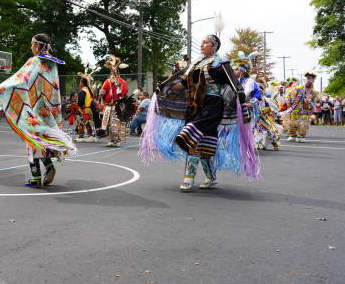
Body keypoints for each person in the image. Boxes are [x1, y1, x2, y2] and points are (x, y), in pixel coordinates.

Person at [140, 35, 260, 191]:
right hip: (195, 105)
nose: (202, 45)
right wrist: (164, 88)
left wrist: (243, 105)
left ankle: (188, 178)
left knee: (190, 136)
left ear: (214, 46)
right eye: (202, 42)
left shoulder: (221, 64)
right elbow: (183, 84)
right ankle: (211, 177)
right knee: (204, 144)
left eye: (205, 42)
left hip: (213, 105)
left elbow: (235, 85)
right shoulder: (196, 64)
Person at [0, 33, 76, 187]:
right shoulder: (52, 63)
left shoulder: (34, 61)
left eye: (32, 44)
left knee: (32, 141)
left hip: (33, 108)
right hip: (48, 109)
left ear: (37, 45)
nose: (31, 47)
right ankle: (49, 167)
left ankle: (36, 177)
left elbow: (19, 80)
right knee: (41, 140)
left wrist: (0, 89)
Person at [99, 55, 129, 147]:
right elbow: (101, 93)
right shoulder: (108, 82)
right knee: (110, 124)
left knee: (115, 123)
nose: (113, 73)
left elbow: (124, 94)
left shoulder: (122, 82)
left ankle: (116, 140)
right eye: (112, 71)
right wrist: (103, 101)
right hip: (109, 106)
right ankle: (112, 139)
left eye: (114, 71)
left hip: (117, 106)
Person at [282, 72, 318, 142]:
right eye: (307, 78)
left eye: (310, 79)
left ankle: (301, 136)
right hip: (295, 110)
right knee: (292, 124)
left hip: (305, 111)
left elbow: (315, 103)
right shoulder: (298, 88)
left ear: (313, 80)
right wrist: (290, 101)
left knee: (303, 125)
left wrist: (310, 102)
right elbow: (289, 95)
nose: (308, 80)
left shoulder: (314, 92)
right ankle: (292, 135)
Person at [75, 70, 101, 142]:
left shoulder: (82, 91)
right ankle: (90, 135)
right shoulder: (88, 90)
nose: (79, 83)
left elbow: (80, 102)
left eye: (80, 82)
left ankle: (82, 136)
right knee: (87, 122)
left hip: (85, 109)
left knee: (81, 121)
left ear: (82, 83)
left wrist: (79, 108)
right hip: (90, 109)